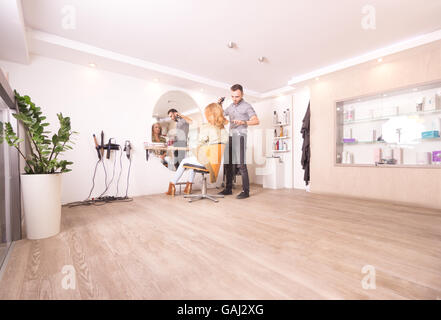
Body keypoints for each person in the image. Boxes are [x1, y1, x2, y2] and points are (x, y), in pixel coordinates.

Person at [165, 103, 228, 196]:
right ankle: (188, 187)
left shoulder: (207, 127)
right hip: (215, 164)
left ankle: (172, 185)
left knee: (184, 162)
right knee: (192, 162)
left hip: (208, 163)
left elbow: (200, 144)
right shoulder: (223, 130)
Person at [218, 84, 259, 199]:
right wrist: (220, 104)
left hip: (240, 136)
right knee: (228, 163)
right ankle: (228, 189)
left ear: (242, 94)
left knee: (241, 164)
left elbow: (256, 121)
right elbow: (221, 114)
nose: (235, 99)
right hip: (230, 136)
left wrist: (243, 122)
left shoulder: (247, 106)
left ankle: (246, 191)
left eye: (237, 96)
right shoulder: (230, 106)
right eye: (232, 96)